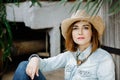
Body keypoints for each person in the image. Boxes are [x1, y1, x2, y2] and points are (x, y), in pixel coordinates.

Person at [13, 10, 115, 80]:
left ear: (92, 32)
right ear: (71, 33)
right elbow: (46, 64)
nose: (80, 32)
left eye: (85, 27)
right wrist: (35, 59)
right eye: (75, 28)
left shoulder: (103, 58)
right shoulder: (69, 55)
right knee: (24, 66)